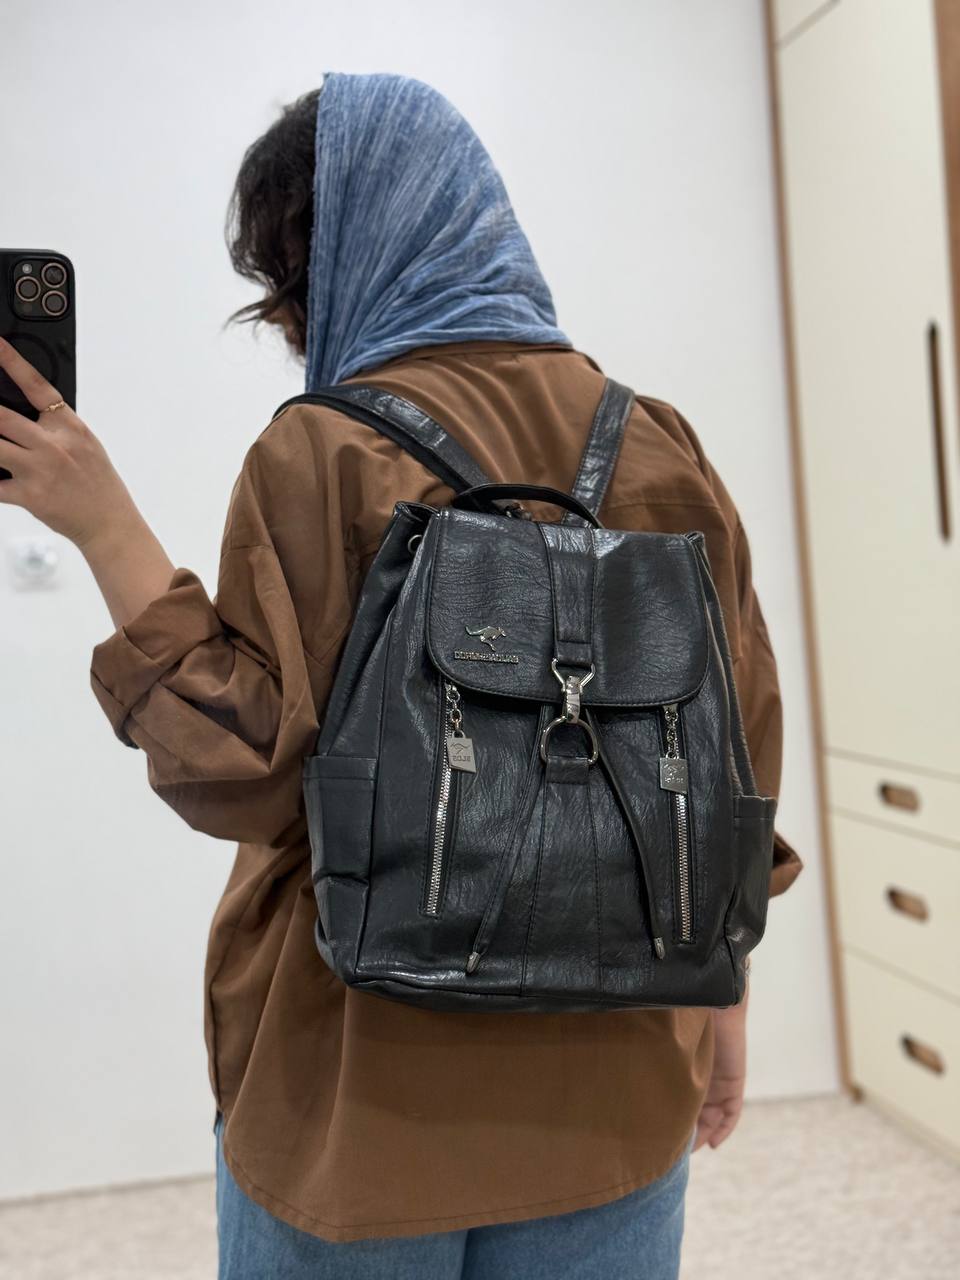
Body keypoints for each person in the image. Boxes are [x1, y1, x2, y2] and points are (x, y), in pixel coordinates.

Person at [0, 72, 803, 1279]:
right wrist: (724, 992)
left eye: (290, 291)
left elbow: (248, 771)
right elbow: (737, 746)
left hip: (358, 1100)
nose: (295, 325)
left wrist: (104, 525)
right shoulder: (657, 441)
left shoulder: (324, 450)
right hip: (622, 1077)